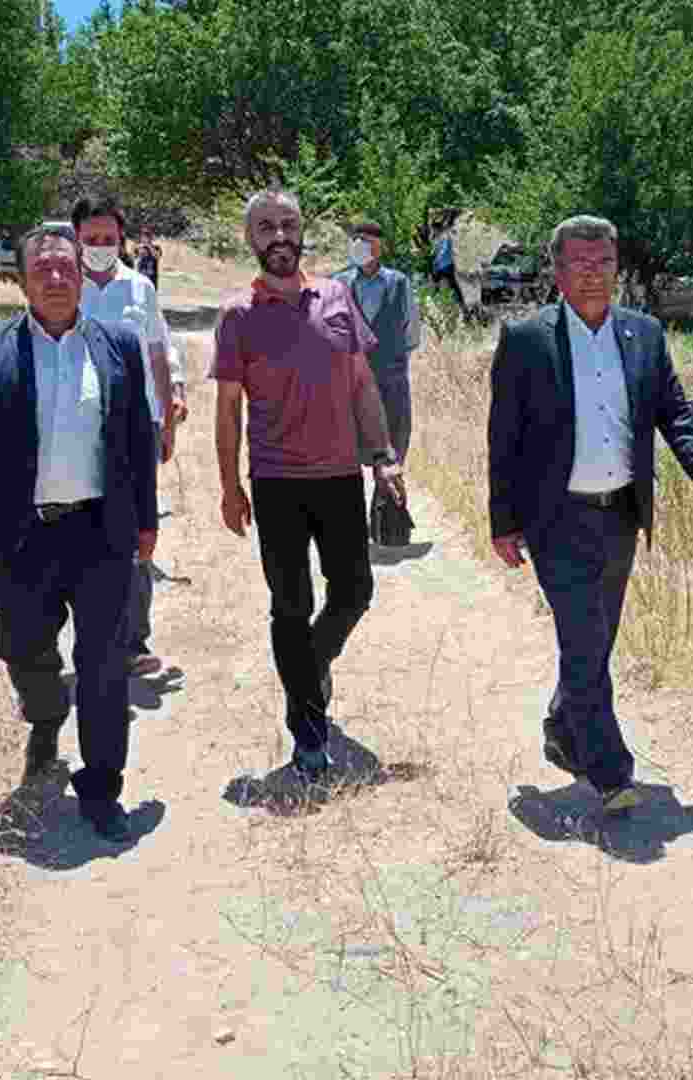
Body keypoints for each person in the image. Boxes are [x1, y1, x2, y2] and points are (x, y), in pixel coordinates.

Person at [485, 214, 693, 814]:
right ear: (557, 271)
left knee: (595, 640)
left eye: (603, 262)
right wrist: (503, 520)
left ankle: (563, 723)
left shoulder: (643, 334)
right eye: (580, 262)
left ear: (617, 267)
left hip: (621, 513)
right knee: (583, 639)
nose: (593, 274)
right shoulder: (526, 340)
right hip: (555, 518)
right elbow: (505, 437)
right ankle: (610, 772)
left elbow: (676, 412)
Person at [0, 222, 159, 843]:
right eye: (43, 270)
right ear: (22, 281)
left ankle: (102, 787)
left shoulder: (117, 345)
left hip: (100, 532)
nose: (57, 278)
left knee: (103, 663)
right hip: (22, 535)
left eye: (66, 267)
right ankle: (45, 717)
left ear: (82, 275)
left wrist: (146, 520)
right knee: (22, 647)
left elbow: (138, 439)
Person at [213, 189, 406, 783]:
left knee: (354, 591)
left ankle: (309, 668)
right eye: (265, 226)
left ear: (301, 232)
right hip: (276, 483)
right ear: (250, 239)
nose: (279, 235)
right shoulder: (238, 315)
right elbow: (228, 410)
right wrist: (229, 486)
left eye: (288, 224)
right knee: (291, 605)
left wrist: (383, 457)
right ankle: (308, 731)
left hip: (340, 474)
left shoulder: (337, 296)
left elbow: (361, 383)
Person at [73, 195, 177, 677]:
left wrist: (168, 417)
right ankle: (93, 638)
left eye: (108, 239)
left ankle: (134, 642)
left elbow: (158, 352)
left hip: (138, 425)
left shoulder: (140, 288)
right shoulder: (61, 286)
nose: (100, 246)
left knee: (137, 532)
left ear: (122, 240)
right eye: (91, 238)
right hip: (75, 427)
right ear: (76, 239)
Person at [330, 221, 420, 545]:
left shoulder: (399, 283)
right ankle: (345, 529)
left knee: (392, 452)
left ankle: (390, 526)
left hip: (390, 382)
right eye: (356, 239)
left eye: (366, 240)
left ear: (380, 246)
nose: (360, 245)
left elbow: (411, 333)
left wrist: (389, 358)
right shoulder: (338, 283)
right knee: (344, 456)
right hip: (347, 385)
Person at [428, 216, 466, 316]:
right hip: (440, 267)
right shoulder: (437, 238)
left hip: (446, 266)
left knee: (452, 286)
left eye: (433, 229)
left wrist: (436, 259)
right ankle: (437, 306)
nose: (432, 231)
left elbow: (444, 251)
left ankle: (462, 307)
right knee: (442, 286)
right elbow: (435, 251)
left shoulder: (445, 236)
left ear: (436, 228)